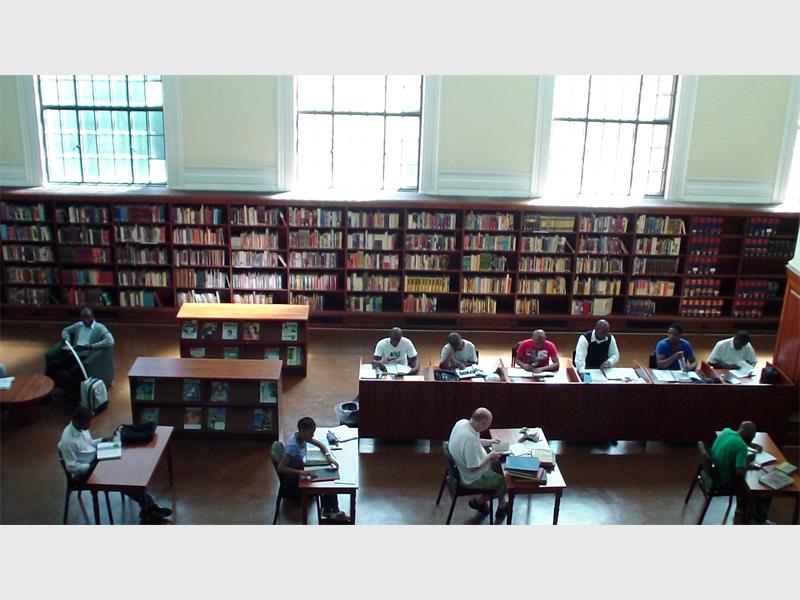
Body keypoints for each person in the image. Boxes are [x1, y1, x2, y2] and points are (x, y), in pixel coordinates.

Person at [57, 406, 172, 524]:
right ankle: (148, 507)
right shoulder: (67, 441)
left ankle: (148, 505)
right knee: (122, 480)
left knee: (126, 470)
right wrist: (92, 466)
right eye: (87, 422)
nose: (89, 425)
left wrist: (104, 440)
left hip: (96, 459)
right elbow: (72, 467)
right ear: (78, 421)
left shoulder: (82, 428)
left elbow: (89, 444)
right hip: (86, 472)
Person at [277, 416, 348, 522]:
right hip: (293, 482)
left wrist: (329, 457)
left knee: (327, 476)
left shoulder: (301, 437)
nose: (313, 435)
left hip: (300, 472)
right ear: (303, 431)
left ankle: (330, 510)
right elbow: (281, 468)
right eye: (311, 432)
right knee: (327, 482)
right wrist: (303, 472)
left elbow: (320, 445)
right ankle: (332, 511)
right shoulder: (293, 447)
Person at [447, 408, 508, 522]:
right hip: (472, 477)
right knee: (505, 481)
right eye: (487, 425)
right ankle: (479, 502)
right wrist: (490, 456)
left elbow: (475, 440)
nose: (487, 427)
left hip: (463, 467)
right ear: (482, 423)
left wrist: (489, 442)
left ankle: (502, 503)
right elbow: (473, 468)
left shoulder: (463, 423)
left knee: (500, 469)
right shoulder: (469, 438)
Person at [45, 307, 115, 402]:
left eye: (88, 318)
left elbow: (110, 340)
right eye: (83, 318)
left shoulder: (99, 328)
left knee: (73, 372)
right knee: (52, 365)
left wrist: (92, 346)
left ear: (92, 317)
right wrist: (68, 340)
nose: (86, 321)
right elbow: (65, 330)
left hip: (85, 358)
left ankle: (72, 400)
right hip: (73, 354)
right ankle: (47, 394)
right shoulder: (79, 325)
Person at [710, 420, 773, 525]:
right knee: (764, 492)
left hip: (715, 473)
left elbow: (737, 441)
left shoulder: (726, 431)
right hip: (724, 482)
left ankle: (741, 507)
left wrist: (751, 445)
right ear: (750, 437)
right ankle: (758, 521)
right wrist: (747, 461)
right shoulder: (741, 447)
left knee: (744, 484)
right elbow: (739, 472)